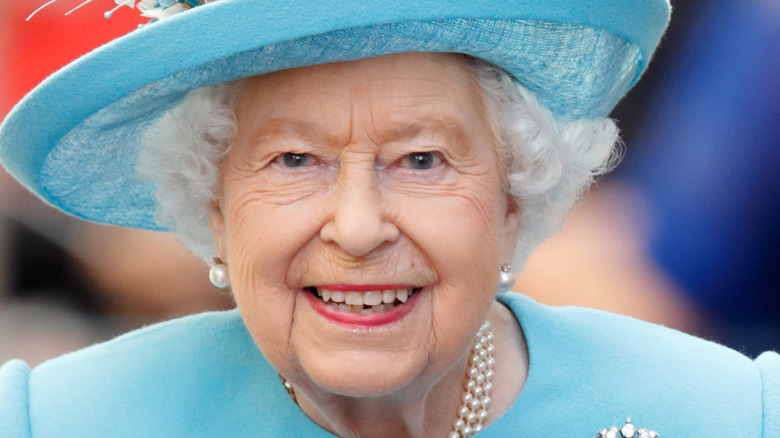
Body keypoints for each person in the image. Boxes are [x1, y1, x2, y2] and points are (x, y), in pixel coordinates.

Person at [0, 1, 777, 437]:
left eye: (422, 160)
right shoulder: (55, 424)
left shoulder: (732, 419)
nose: (359, 227)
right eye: (295, 161)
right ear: (214, 206)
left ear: (514, 201)